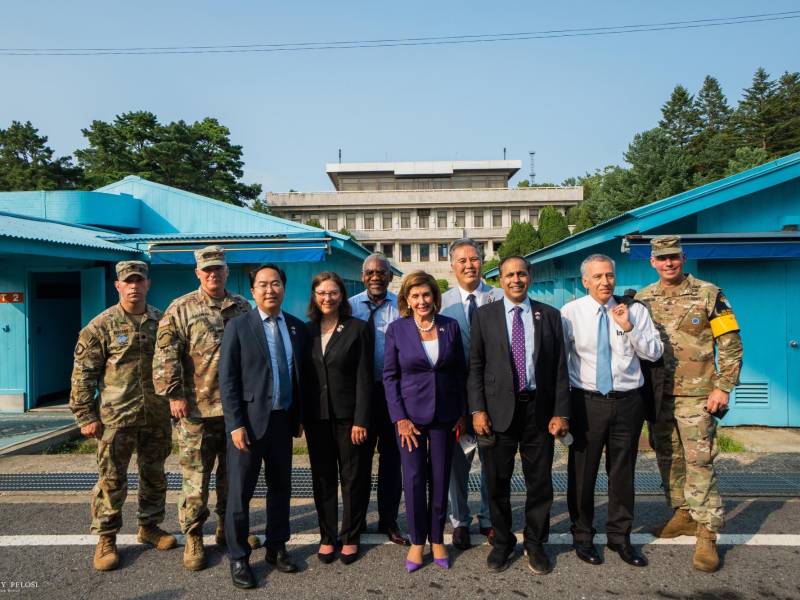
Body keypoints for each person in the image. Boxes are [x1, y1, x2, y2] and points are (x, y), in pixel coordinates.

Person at [636, 235, 743, 573]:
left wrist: (724, 387)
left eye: (674, 258)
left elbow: (730, 343)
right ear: (652, 262)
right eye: (662, 258)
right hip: (658, 395)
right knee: (669, 457)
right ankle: (683, 513)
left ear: (683, 258)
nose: (669, 263)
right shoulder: (643, 299)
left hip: (699, 395)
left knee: (699, 461)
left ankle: (708, 533)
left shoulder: (709, 293)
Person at [70, 261, 176, 571]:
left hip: (156, 415)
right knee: (112, 480)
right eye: (127, 281)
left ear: (148, 284)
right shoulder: (100, 326)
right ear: (117, 286)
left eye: (138, 280)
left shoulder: (162, 321)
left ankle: (150, 526)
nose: (133, 286)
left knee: (154, 474)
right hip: (115, 418)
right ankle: (106, 537)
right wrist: (85, 415)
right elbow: (82, 374)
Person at [468, 255, 570, 575]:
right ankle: (502, 542)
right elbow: (475, 367)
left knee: (539, 483)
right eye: (510, 274)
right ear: (501, 280)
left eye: (521, 274)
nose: (516, 279)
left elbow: (560, 369)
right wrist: (477, 409)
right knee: (497, 483)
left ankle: (535, 543)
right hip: (497, 413)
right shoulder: (484, 316)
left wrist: (560, 413)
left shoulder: (550, 316)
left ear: (530, 277)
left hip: (537, 410)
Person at [152, 245, 252, 571]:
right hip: (194, 410)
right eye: (206, 269)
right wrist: (174, 395)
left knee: (231, 475)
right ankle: (194, 535)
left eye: (218, 269)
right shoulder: (180, 308)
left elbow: (253, 356)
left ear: (227, 271)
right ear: (197, 272)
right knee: (196, 478)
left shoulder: (242, 306)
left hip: (234, 410)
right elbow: (165, 354)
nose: (213, 274)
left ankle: (228, 528)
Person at [560, 254, 663, 568]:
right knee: (582, 474)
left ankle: (620, 538)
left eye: (609, 275)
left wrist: (628, 327)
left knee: (622, 473)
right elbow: (560, 363)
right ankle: (582, 536)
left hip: (627, 402)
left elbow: (655, 352)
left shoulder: (635, 311)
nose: (605, 282)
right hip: (586, 402)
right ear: (585, 281)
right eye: (598, 277)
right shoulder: (570, 313)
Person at [219, 263, 309, 589]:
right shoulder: (239, 326)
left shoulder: (297, 328)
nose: (270, 290)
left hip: (282, 422)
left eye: (275, 284)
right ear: (253, 290)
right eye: (263, 285)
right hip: (248, 425)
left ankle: (276, 547)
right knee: (240, 493)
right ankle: (239, 557)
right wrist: (234, 424)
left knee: (280, 488)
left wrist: (298, 417)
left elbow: (300, 377)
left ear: (284, 288)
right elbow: (227, 380)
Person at [383, 270, 466, 572]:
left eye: (426, 294)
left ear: (434, 296)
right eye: (415, 296)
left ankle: (437, 538)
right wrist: (400, 418)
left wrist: (461, 412)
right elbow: (390, 377)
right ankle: (418, 541)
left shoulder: (450, 327)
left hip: (445, 416)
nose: (421, 301)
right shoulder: (397, 329)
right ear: (406, 299)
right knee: (415, 479)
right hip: (410, 420)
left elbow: (459, 373)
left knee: (441, 477)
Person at [303, 272, 373, 565]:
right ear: (314, 296)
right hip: (317, 418)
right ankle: (328, 535)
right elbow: (303, 378)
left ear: (341, 296)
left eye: (332, 292)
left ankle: (351, 535)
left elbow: (364, 378)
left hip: (349, 418)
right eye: (321, 293)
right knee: (323, 479)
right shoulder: (306, 331)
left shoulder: (358, 328)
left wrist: (361, 419)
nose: (327, 298)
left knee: (353, 477)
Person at [440, 238, 503, 549]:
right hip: (455, 398)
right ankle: (460, 520)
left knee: (492, 460)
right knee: (457, 464)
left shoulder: (500, 297)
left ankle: (489, 519)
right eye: (462, 260)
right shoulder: (441, 303)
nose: (469, 265)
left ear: (483, 261)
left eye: (474, 258)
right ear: (452, 266)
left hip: (494, 397)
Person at [349, 254, 409, 546]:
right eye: (371, 272)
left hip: (393, 394)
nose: (376, 277)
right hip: (360, 395)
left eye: (382, 272)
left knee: (391, 460)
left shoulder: (401, 306)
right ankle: (356, 522)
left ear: (390, 276)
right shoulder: (349, 306)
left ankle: (388, 520)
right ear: (363, 276)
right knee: (358, 461)